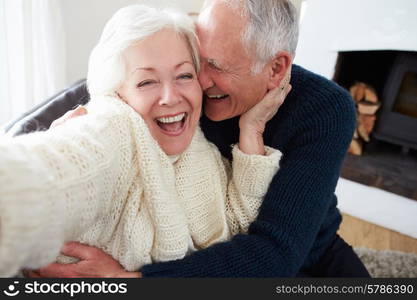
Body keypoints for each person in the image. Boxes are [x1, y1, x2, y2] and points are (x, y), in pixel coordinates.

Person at [27, 0, 370, 278]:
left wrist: (129, 282)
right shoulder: (180, 89)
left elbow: (275, 255)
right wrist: (64, 127)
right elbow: (116, 80)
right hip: (220, 254)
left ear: (276, 69)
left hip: (305, 248)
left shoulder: (325, 109)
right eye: (197, 62)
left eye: (216, 66)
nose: (199, 82)